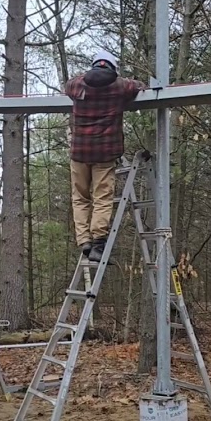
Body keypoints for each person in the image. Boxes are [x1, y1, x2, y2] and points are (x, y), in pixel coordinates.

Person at [64, 50, 146, 262]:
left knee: (80, 198)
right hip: (104, 154)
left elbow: (68, 85)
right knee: (102, 198)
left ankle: (84, 241)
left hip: (79, 153)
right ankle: (98, 242)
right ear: (112, 68)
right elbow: (138, 86)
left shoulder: (77, 85)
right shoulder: (119, 86)